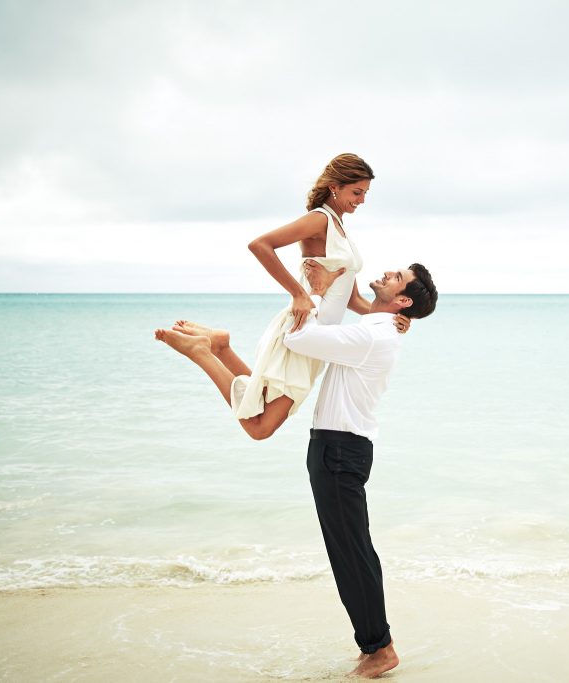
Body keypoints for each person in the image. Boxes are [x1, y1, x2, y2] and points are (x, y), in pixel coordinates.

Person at [155, 260, 438, 679]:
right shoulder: (378, 328)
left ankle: (380, 649)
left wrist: (316, 291)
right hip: (339, 450)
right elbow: (354, 303)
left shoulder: (372, 335)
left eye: (396, 277)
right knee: (354, 553)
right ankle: (374, 644)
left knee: (353, 556)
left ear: (402, 300)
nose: (387, 272)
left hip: (340, 453)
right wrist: (331, 285)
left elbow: (298, 337)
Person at [158, 153, 407, 440]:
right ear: (334, 187)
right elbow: (260, 245)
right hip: (304, 326)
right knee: (261, 427)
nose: (362, 200)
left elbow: (353, 301)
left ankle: (222, 346)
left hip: (318, 338)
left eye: (365, 193)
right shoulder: (319, 220)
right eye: (357, 192)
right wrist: (299, 294)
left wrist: (395, 318)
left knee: (263, 399)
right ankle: (203, 351)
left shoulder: (341, 229)